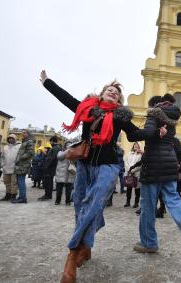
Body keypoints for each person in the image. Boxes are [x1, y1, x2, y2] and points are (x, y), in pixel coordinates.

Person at [40, 70, 143, 283]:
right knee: (80, 206)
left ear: (119, 99)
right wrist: (48, 82)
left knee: (93, 203)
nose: (113, 93)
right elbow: (66, 98)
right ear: (102, 93)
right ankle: (86, 247)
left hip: (108, 166)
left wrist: (158, 129)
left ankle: (72, 254)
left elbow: (136, 134)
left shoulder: (119, 116)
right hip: (85, 165)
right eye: (110, 90)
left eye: (116, 92)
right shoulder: (88, 108)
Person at [127, 93, 181, 259]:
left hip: (153, 165)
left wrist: (131, 132)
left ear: (155, 105)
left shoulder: (154, 114)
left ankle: (149, 243)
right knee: (174, 200)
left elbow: (148, 133)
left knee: (148, 206)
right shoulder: (172, 119)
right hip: (169, 164)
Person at [11, 130, 34, 204]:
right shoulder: (25, 141)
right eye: (22, 133)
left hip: (23, 164)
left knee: (21, 181)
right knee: (20, 181)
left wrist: (21, 158)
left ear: (28, 134)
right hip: (20, 164)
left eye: (24, 133)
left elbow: (30, 153)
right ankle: (21, 197)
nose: (22, 134)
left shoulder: (29, 141)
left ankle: (22, 198)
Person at [38, 136, 61, 201]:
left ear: (53, 141)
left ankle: (47, 195)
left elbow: (51, 159)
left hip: (50, 168)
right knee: (49, 182)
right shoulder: (58, 148)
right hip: (53, 167)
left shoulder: (54, 148)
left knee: (47, 182)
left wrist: (46, 166)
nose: (50, 143)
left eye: (50, 141)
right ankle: (48, 195)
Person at [0, 134, 20, 201]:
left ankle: (13, 195)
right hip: (6, 167)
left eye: (12, 138)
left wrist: (18, 165)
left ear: (15, 139)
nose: (11, 139)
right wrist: (2, 164)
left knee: (13, 183)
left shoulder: (18, 146)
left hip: (14, 168)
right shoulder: (5, 147)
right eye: (9, 138)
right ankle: (7, 195)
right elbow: (2, 157)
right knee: (7, 182)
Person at [124, 142, 142, 208]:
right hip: (129, 173)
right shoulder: (129, 154)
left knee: (137, 189)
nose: (135, 146)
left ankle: (136, 203)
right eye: (134, 145)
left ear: (139, 147)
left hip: (136, 174)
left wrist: (133, 170)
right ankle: (127, 202)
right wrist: (129, 169)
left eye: (137, 145)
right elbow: (126, 161)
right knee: (129, 188)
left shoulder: (140, 155)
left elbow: (140, 165)